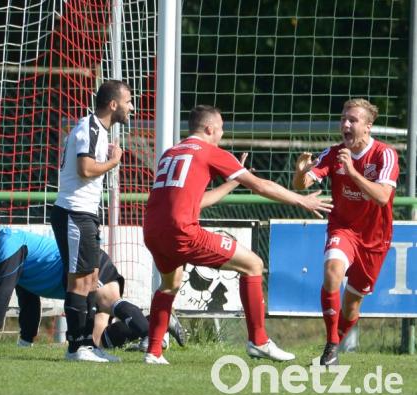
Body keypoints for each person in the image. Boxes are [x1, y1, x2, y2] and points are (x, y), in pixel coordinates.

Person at [142, 105, 333, 365]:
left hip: (153, 231)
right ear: (210, 129)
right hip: (182, 232)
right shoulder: (210, 151)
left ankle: (153, 352)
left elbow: (198, 202)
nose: (222, 133)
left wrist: (232, 181)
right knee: (253, 264)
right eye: (220, 129)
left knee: (170, 284)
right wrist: (302, 200)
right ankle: (259, 341)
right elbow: (261, 185)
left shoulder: (171, 153)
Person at [0, 209, 186, 352]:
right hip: (80, 275)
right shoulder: (11, 251)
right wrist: (25, 341)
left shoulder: (8, 242)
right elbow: (28, 300)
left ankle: (153, 335)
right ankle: (160, 323)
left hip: (87, 262)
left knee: (108, 302)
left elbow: (1, 290)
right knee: (98, 342)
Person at [292, 99, 399, 366]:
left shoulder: (384, 154)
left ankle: (333, 346)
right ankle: (331, 345)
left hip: (375, 238)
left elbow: (383, 197)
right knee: (332, 272)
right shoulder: (333, 152)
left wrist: (351, 172)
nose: (346, 124)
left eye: (353, 120)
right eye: (343, 119)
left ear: (368, 127)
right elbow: (302, 184)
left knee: (352, 305)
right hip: (344, 228)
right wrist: (299, 172)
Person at [50, 80, 131, 362]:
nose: (131, 107)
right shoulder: (90, 127)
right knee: (80, 283)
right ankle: (76, 348)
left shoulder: (97, 129)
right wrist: (113, 162)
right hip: (74, 213)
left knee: (92, 280)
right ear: (113, 104)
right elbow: (85, 169)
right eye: (128, 101)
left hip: (84, 214)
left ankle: (87, 343)